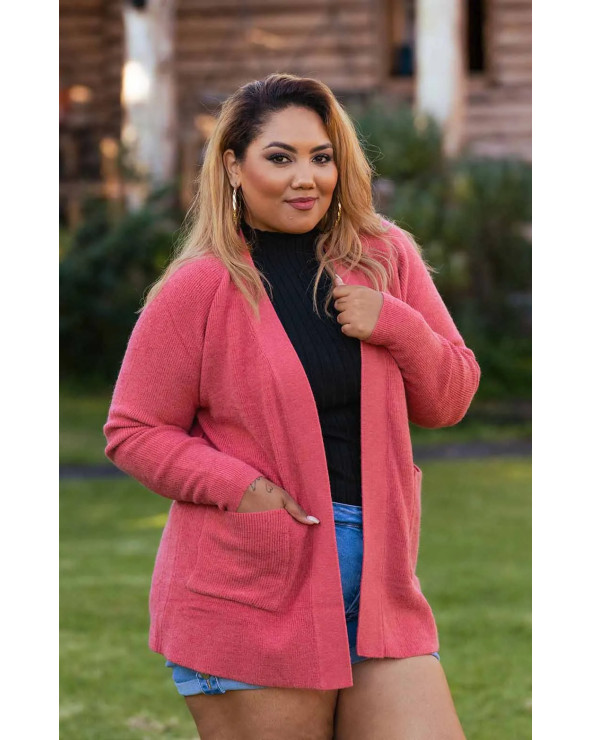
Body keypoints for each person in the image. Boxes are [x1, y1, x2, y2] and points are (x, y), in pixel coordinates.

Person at [103, 73, 480, 739]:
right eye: (280, 158)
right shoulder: (201, 286)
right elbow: (133, 429)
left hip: (381, 580)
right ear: (233, 167)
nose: (306, 178)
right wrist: (242, 488)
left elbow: (449, 398)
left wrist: (394, 322)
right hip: (252, 584)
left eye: (321, 157)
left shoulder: (383, 257)